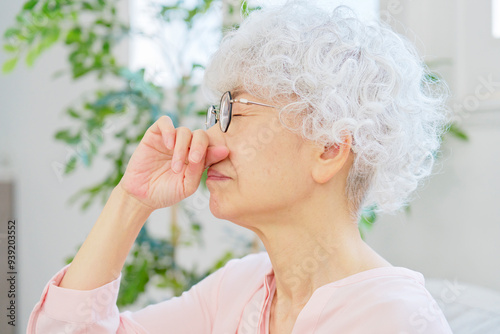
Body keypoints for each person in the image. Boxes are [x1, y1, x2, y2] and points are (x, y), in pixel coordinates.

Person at [27, 1, 453, 333]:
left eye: (235, 112)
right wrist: (131, 199)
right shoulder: (239, 289)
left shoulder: (397, 319)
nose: (208, 139)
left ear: (327, 149)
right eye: (215, 112)